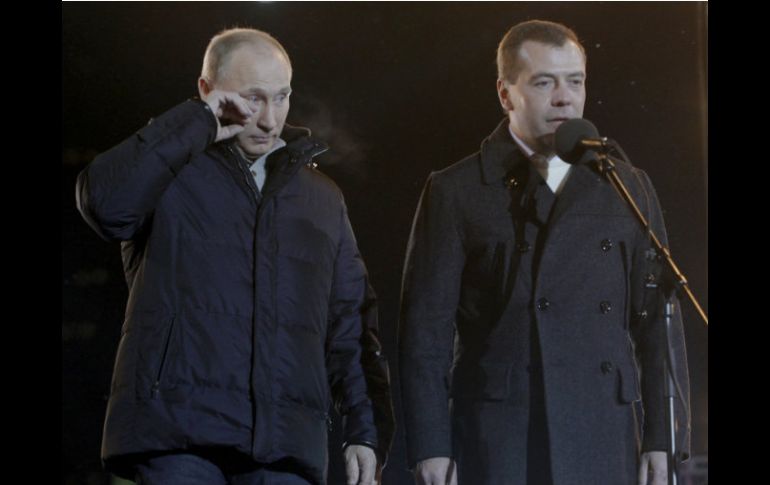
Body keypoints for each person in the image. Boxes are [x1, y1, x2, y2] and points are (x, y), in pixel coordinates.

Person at [76, 27, 394, 485]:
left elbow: (350, 323)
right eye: (252, 99)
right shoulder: (168, 172)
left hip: (284, 448)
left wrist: (365, 430)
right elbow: (104, 204)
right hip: (176, 439)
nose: (269, 119)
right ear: (207, 90)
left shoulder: (322, 198)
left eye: (281, 97)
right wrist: (198, 121)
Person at [398, 19, 690, 485]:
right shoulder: (457, 191)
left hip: (603, 430)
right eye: (544, 82)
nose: (564, 98)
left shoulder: (626, 185)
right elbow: (424, 336)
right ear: (505, 93)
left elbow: (657, 323)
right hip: (499, 434)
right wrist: (431, 446)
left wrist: (663, 437)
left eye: (575, 81)